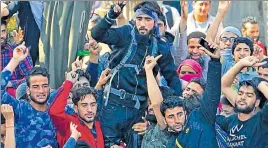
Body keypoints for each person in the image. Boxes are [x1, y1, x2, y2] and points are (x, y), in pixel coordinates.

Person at [91, 1, 182, 147]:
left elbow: (172, 78)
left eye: (147, 20)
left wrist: (176, 106)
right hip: (113, 107)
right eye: (139, 19)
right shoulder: (126, 33)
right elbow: (96, 34)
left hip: (137, 111)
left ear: (155, 21)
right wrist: (111, 15)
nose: (143, 24)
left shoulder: (160, 46)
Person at [1, 45, 58, 147]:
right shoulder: (20, 108)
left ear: (49, 87)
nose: (41, 91)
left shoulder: (57, 112)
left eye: (44, 86)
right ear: (28, 90)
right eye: (35, 87)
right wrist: (15, 60)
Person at [220, 56, 268, 147]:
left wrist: (260, 84)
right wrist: (240, 64)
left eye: (266, 75)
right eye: (259, 74)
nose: (243, 97)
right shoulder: (244, 103)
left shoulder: (262, 117)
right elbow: (224, 85)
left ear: (257, 102)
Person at [49, 70, 104, 148]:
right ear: (75, 108)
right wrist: (68, 83)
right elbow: (54, 112)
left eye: (92, 104)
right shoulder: (69, 124)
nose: (89, 109)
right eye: (84, 105)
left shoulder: (99, 124)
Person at [1, 19, 33, 97]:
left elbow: (32, 78)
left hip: (16, 102)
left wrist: (10, 84)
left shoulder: (18, 51)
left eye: (3, 31)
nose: (1, 36)